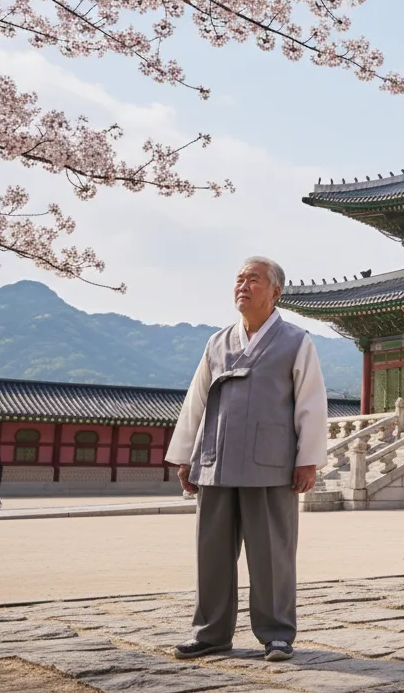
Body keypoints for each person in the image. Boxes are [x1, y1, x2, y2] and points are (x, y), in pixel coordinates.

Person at [165, 256, 329, 663]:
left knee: (271, 555)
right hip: (215, 461)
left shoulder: (296, 341)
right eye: (239, 279)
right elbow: (196, 401)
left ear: (276, 292)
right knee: (212, 553)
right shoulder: (217, 342)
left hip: (270, 464)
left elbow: (311, 402)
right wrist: (185, 456)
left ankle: (277, 634)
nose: (243, 285)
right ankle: (210, 633)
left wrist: (307, 459)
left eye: (253, 279)